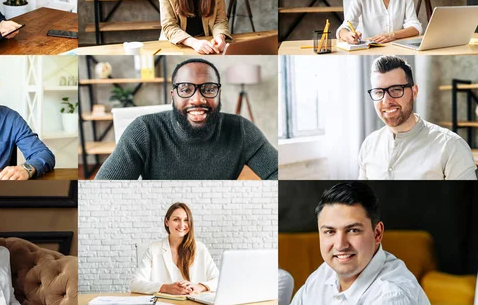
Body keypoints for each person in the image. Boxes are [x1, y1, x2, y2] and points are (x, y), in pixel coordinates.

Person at [94, 58, 278, 180]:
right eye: (185, 89)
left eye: (208, 89)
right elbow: (103, 189)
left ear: (219, 94)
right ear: (173, 95)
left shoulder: (241, 130)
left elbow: (277, 173)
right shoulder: (144, 130)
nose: (198, 99)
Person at [290, 182, 430, 305]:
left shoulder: (391, 296)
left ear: (377, 233)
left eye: (353, 230)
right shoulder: (323, 274)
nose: (340, 245)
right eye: (330, 232)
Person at [359, 55, 476, 180]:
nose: (386, 101)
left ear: (414, 92)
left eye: (396, 90)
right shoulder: (369, 145)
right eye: (378, 92)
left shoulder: (452, 147)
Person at [130, 202, 219, 295]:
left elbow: (219, 280)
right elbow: (134, 283)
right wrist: (165, 288)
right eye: (176, 219)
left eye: (186, 220)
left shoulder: (200, 248)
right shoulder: (154, 249)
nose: (181, 225)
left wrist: (200, 287)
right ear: (167, 222)